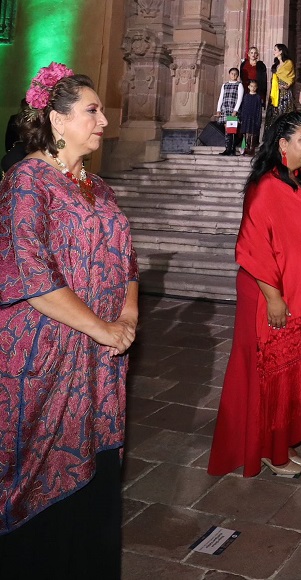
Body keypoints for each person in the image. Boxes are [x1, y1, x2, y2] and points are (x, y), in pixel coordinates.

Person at [0, 63, 138, 579]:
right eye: (92, 111)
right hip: (44, 356)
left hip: (97, 361)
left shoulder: (96, 186)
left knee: (95, 467)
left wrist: (127, 313)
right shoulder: (28, 182)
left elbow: (127, 257)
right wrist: (103, 329)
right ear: (57, 121)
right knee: (36, 469)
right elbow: (34, 275)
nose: (103, 120)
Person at [208, 111, 301, 479]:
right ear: (283, 145)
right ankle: (268, 450)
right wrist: (274, 297)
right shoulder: (265, 188)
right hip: (269, 294)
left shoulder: (299, 182)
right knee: (270, 374)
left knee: (290, 373)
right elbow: (253, 246)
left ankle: (282, 443)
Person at [264, 44, 296, 131]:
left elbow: (291, 76)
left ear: (281, 51)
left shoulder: (288, 63)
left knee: (283, 112)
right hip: (275, 91)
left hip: (284, 91)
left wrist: (287, 84)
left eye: (275, 50)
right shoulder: (275, 65)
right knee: (274, 113)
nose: (274, 52)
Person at [216, 67, 244, 156]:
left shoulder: (239, 85)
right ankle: (227, 148)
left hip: (233, 109)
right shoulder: (225, 85)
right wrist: (218, 110)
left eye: (235, 74)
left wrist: (236, 110)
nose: (233, 75)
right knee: (227, 130)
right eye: (232, 73)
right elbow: (221, 98)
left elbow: (239, 98)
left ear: (237, 75)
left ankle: (232, 149)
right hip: (225, 109)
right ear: (229, 74)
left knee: (232, 130)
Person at [239, 79, 263, 155]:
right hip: (246, 117)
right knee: (246, 133)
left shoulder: (258, 97)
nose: (253, 88)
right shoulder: (246, 96)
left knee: (253, 132)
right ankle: (246, 147)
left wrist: (258, 119)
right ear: (249, 87)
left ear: (257, 87)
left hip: (254, 117)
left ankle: (251, 149)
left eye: (254, 86)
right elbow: (243, 107)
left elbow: (259, 109)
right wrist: (241, 116)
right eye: (251, 86)